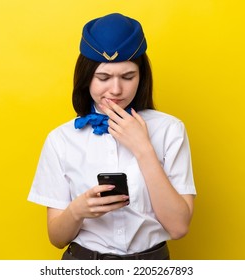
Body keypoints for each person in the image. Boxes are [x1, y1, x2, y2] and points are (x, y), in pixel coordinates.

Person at [28, 13, 196, 260]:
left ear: (142, 76)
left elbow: (179, 227)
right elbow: (56, 238)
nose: (116, 90)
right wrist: (78, 210)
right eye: (103, 78)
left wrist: (143, 149)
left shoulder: (170, 130)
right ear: (86, 78)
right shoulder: (61, 139)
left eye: (128, 77)